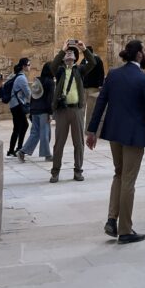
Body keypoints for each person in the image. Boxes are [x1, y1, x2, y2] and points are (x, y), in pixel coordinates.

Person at [87, 39, 145, 245]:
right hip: (134, 136)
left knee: (119, 174)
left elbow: (101, 102)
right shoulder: (144, 80)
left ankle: (111, 219)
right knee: (128, 180)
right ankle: (125, 230)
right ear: (139, 55)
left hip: (114, 133)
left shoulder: (113, 75)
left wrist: (92, 130)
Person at [49, 40, 97, 183]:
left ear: (76, 58)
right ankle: (55, 172)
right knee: (59, 143)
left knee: (78, 142)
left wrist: (83, 49)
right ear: (64, 57)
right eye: (67, 53)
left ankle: (78, 171)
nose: (69, 53)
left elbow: (93, 63)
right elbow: (52, 66)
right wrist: (62, 51)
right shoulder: (60, 71)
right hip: (62, 111)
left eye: (71, 53)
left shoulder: (80, 70)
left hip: (76, 109)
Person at [17, 61, 54, 163]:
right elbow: (50, 99)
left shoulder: (37, 81)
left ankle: (22, 152)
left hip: (35, 110)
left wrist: (31, 111)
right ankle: (47, 155)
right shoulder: (50, 82)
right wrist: (50, 113)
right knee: (45, 133)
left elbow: (32, 97)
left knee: (35, 133)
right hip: (44, 111)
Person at [7, 57, 31, 157]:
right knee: (22, 125)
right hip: (17, 105)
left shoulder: (17, 75)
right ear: (24, 66)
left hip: (14, 104)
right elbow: (28, 93)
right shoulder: (22, 78)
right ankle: (18, 148)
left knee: (18, 126)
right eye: (29, 65)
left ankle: (13, 149)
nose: (30, 67)